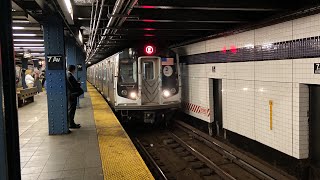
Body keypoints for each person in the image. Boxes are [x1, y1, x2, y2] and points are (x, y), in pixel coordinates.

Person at [67, 65, 82, 129]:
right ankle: (71, 124)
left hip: (71, 95)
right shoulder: (70, 76)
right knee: (72, 110)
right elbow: (73, 86)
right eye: (75, 70)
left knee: (71, 109)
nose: (75, 71)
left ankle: (71, 123)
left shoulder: (68, 75)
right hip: (72, 95)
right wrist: (78, 84)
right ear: (73, 69)